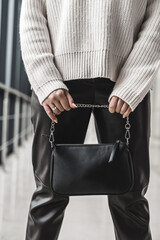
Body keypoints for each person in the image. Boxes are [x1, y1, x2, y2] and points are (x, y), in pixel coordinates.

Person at [19, 0, 160, 239]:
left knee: (130, 198)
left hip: (125, 82)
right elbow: (32, 15)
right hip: (58, 83)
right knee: (48, 196)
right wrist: (45, 78)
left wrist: (135, 80)